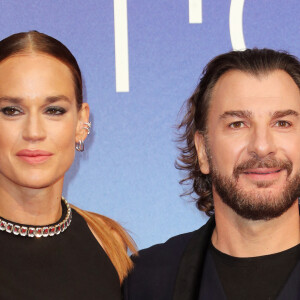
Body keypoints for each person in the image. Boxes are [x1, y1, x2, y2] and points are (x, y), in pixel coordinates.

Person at [123, 49, 300, 300]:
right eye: (237, 124)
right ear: (203, 151)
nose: (262, 146)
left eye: (283, 123)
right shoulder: (145, 281)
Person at [0, 31, 136, 299]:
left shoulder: (108, 242)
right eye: (11, 110)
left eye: (54, 110)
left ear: (81, 123)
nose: (34, 132)